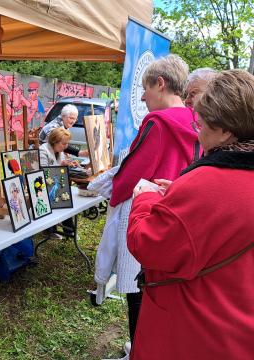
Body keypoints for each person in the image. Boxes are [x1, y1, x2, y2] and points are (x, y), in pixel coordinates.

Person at [127, 69, 254, 360]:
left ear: (225, 130)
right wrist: (182, 197)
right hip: (239, 320)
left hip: (194, 328)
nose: (198, 131)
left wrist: (145, 199)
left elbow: (149, 244)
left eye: (201, 123)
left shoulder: (210, 181)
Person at [94, 54, 200, 359]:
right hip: (181, 214)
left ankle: (140, 350)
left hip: (150, 212)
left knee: (139, 287)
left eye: (146, 88)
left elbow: (133, 172)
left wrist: (111, 193)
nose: (142, 96)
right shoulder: (197, 120)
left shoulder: (157, 121)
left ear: (161, 84)